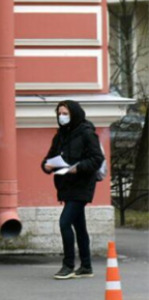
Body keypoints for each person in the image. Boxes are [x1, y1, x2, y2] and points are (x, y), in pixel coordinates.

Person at [41, 100, 104, 280]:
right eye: (59, 113)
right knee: (79, 226)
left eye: (65, 113)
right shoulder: (60, 135)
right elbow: (50, 157)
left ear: (74, 114)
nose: (61, 117)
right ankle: (86, 266)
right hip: (65, 185)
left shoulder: (86, 133)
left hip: (82, 185)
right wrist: (46, 165)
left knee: (64, 222)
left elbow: (96, 158)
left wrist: (78, 167)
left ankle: (68, 265)